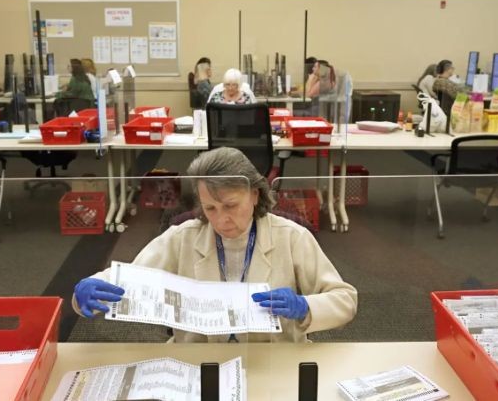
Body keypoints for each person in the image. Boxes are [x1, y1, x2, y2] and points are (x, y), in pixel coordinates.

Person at [72, 147, 358, 343]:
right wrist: (89, 287)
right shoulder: (184, 236)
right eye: (210, 208)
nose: (221, 220)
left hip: (273, 355)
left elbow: (345, 300)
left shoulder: (291, 237)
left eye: (231, 205)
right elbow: (130, 278)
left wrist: (305, 306)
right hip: (197, 359)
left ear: (256, 195)